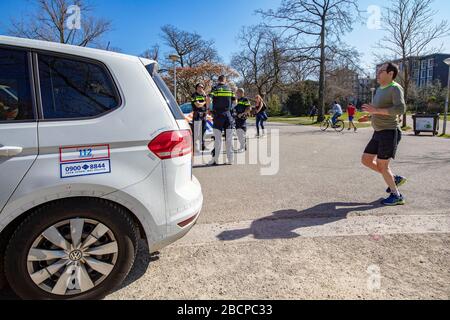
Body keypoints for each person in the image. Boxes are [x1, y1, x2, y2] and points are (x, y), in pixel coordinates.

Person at [362, 62, 407, 206]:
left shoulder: (395, 88)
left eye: (381, 71)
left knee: (383, 166)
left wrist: (374, 111)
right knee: (366, 160)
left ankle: (397, 195)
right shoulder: (380, 89)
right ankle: (394, 178)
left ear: (390, 74)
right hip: (378, 132)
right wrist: (369, 116)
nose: (378, 73)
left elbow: (400, 109)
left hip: (389, 132)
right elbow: (380, 109)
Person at [208, 75, 235, 166]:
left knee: (217, 139)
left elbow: (208, 98)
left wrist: (209, 109)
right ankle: (230, 160)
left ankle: (215, 159)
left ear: (218, 80)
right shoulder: (230, 89)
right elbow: (235, 102)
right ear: (225, 80)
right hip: (228, 115)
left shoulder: (215, 88)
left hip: (218, 116)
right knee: (229, 139)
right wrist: (231, 111)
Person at [233, 88, 251, 152]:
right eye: (236, 92)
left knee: (241, 132)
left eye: (237, 92)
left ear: (241, 93)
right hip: (237, 118)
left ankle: (243, 147)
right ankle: (242, 146)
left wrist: (242, 113)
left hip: (242, 118)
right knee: (238, 133)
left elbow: (248, 108)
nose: (236, 94)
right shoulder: (237, 100)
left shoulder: (245, 99)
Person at [191, 83, 208, 152]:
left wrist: (205, 96)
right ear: (197, 88)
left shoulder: (203, 95)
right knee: (196, 131)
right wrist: (204, 101)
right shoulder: (194, 95)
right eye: (200, 87)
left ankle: (202, 145)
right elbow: (198, 105)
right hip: (197, 114)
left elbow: (208, 103)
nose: (201, 88)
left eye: (202, 87)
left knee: (203, 131)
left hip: (203, 115)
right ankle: (195, 147)